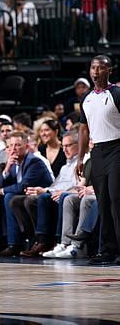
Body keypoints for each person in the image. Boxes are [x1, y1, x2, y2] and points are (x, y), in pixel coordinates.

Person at [76, 55, 120, 265]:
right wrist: (80, 158)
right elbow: (84, 130)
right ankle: (108, 250)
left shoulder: (116, 94)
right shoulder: (87, 98)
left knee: (116, 200)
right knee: (102, 202)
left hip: (117, 148)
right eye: (93, 68)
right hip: (98, 151)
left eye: (100, 68)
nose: (96, 72)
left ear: (109, 70)